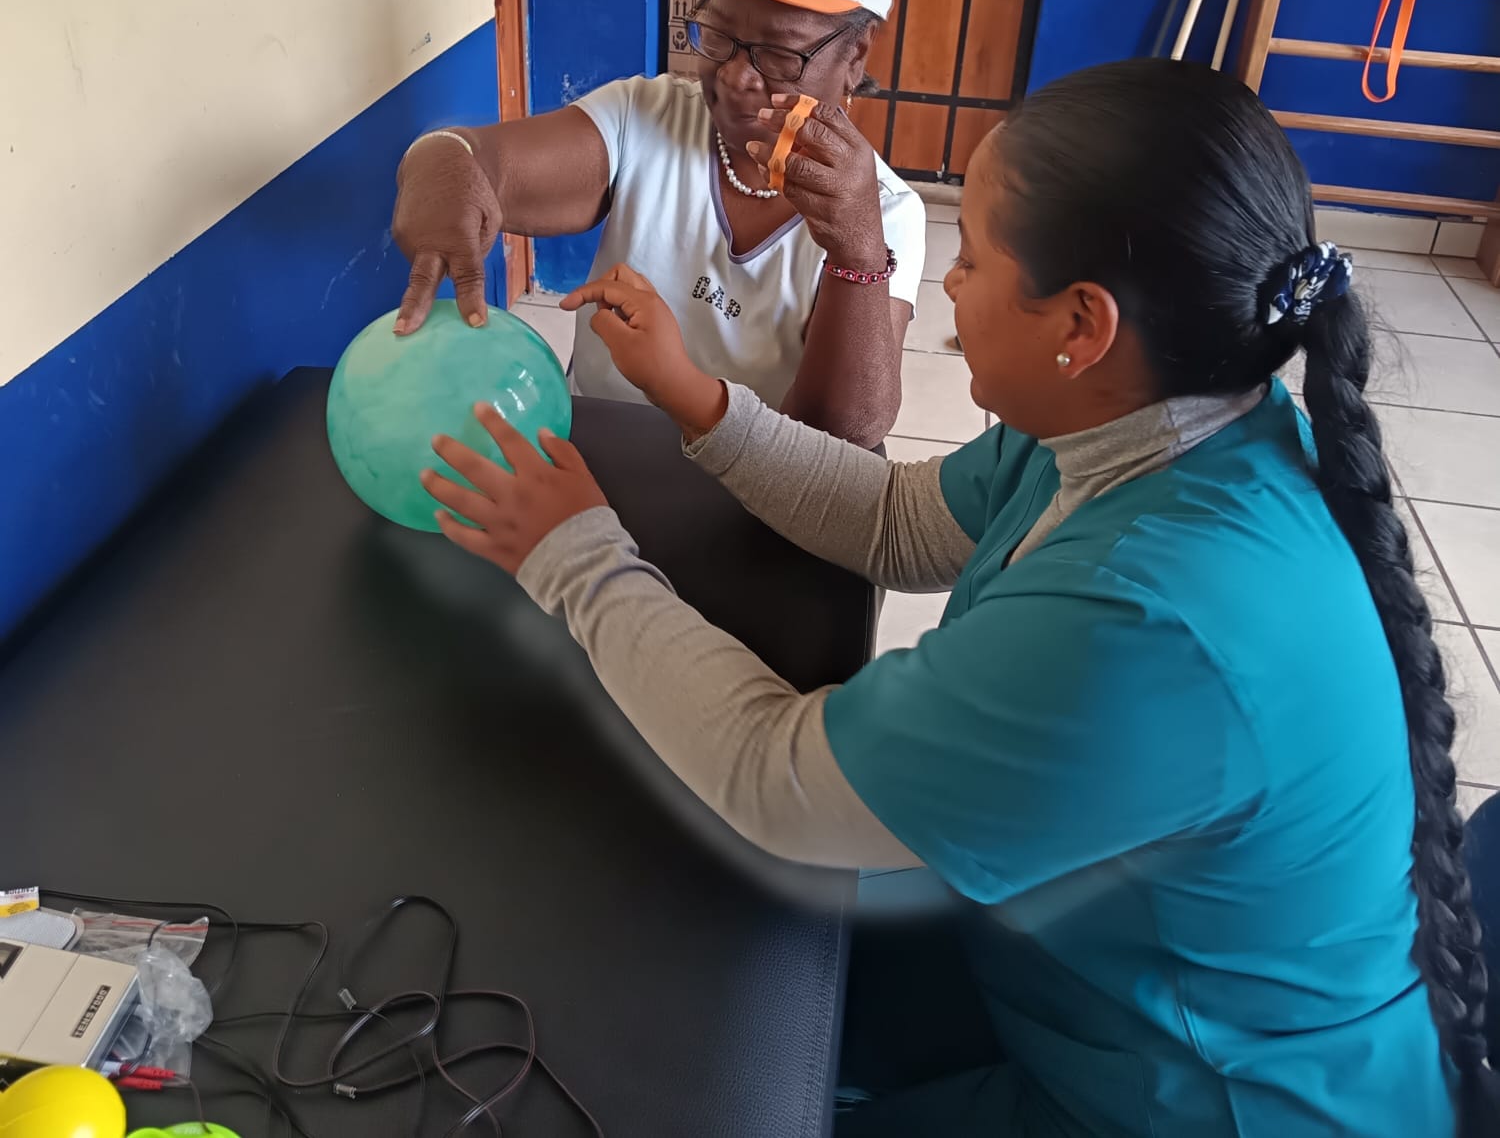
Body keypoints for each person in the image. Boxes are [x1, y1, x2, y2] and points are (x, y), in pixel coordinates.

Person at [416, 59, 1487, 1137]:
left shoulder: (1155, 621)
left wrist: (576, 557)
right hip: (1077, 964)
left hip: (1197, 1102)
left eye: (970, 255)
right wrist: (697, 397)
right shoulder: (1146, 420)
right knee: (715, 966)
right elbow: (899, 520)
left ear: (1082, 325)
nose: (950, 285)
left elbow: (774, 777)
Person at [390, 0, 926, 448]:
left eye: (777, 54)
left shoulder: (885, 214)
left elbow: (845, 435)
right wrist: (441, 165)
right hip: (594, 458)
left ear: (855, 55)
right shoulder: (645, 117)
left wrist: (857, 252)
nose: (736, 75)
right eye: (718, 34)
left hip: (752, 487)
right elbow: (480, 161)